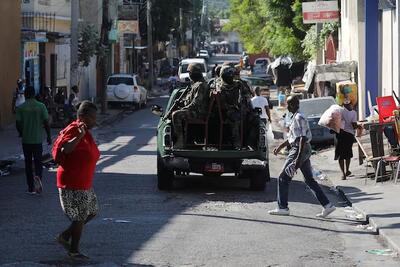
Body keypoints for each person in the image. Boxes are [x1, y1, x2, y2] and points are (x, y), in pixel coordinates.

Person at [268, 96, 336, 217]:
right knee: (309, 180)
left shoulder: (299, 117)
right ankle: (328, 205)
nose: (287, 106)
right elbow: (292, 137)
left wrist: (297, 159)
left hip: (299, 149)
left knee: (283, 178)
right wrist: (280, 147)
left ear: (294, 104)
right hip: (301, 149)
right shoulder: (294, 117)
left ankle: (282, 207)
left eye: (288, 104)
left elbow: (301, 139)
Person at [56, 101, 100, 260]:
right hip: (72, 182)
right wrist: (78, 136)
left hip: (84, 182)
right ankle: (74, 250)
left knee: (92, 211)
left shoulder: (85, 131)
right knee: (80, 216)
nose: (95, 121)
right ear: (82, 117)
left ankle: (65, 235)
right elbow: (65, 149)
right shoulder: (75, 129)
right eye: (92, 117)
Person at [16, 86, 51, 194]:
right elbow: (46, 122)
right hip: (37, 140)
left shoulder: (21, 108)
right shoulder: (41, 106)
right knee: (38, 162)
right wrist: (49, 136)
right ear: (34, 94)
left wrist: (21, 132)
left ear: (25, 95)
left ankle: (30, 188)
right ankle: (38, 179)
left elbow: (18, 123)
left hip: (26, 140)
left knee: (27, 163)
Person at [172, 63, 209, 148]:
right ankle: (186, 139)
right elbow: (189, 100)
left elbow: (196, 102)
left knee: (176, 115)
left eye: (190, 73)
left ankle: (181, 141)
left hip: (198, 113)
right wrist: (181, 103)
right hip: (194, 110)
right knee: (176, 111)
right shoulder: (196, 84)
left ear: (194, 74)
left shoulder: (201, 85)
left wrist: (184, 108)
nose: (189, 76)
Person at [335, 99, 357, 180]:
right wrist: (359, 126)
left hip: (339, 135)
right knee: (348, 153)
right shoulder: (353, 113)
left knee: (340, 154)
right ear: (351, 104)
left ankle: (343, 173)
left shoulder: (339, 112)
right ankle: (347, 170)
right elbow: (354, 125)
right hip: (349, 135)